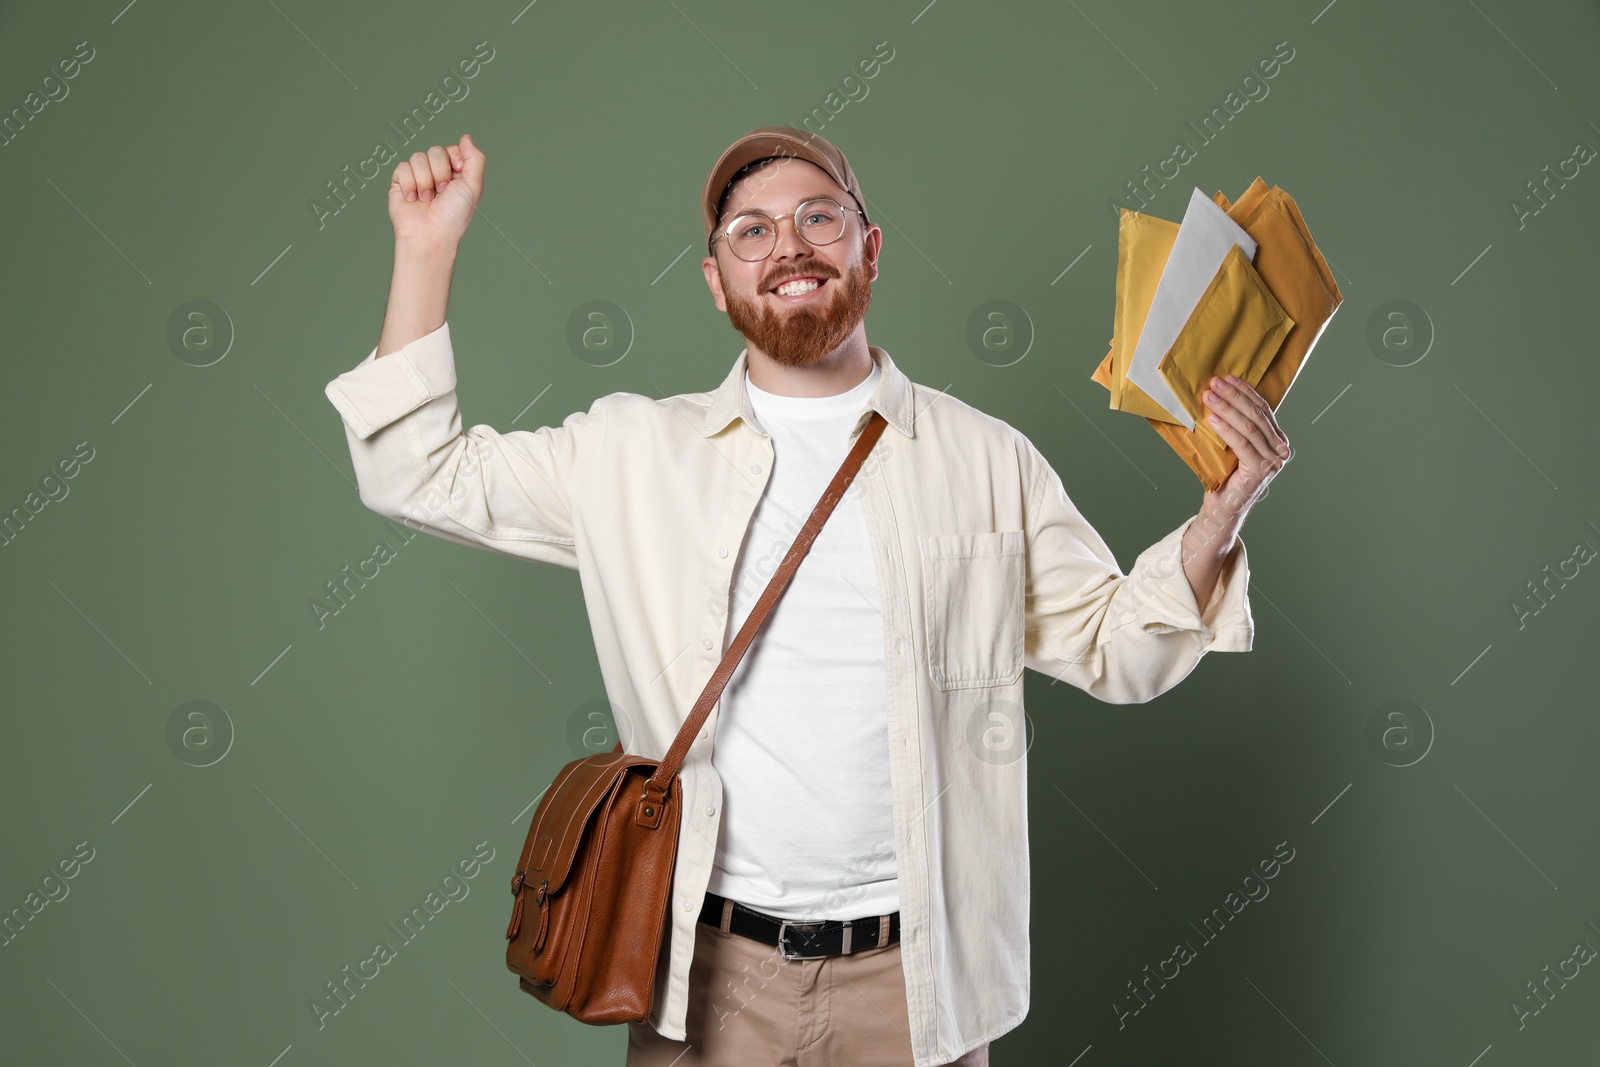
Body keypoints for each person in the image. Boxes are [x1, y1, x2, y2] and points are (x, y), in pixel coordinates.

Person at [324, 126, 1288, 1067]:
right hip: (703, 976)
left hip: (918, 989)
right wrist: (427, 248)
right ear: (716, 281)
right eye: (751, 230)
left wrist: (1219, 516)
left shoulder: (986, 459)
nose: (787, 247)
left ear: (869, 250)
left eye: (818, 218)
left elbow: (1122, 653)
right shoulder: (627, 452)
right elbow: (416, 472)